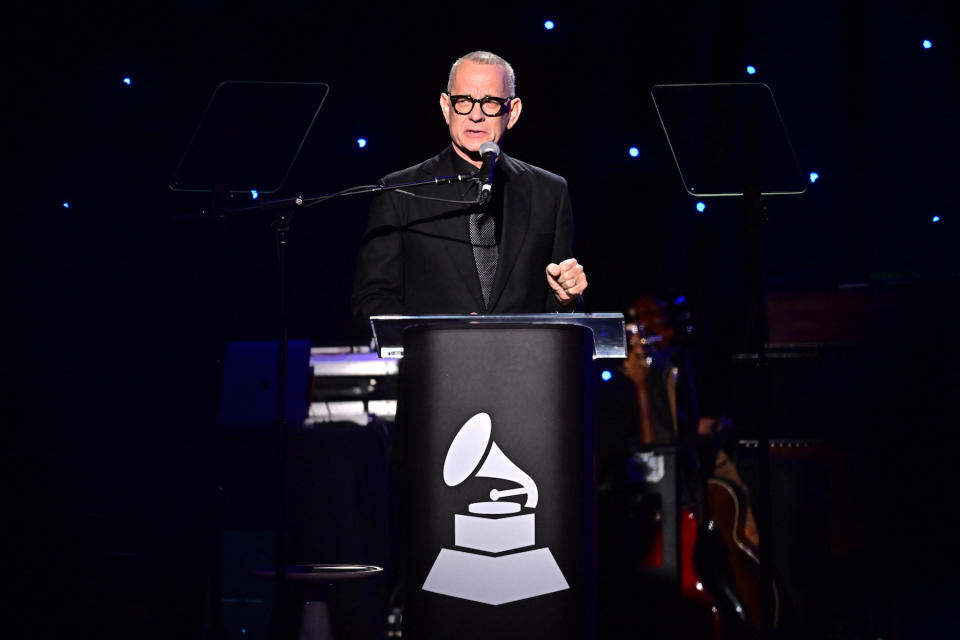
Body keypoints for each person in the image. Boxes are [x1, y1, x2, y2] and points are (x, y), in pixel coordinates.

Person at [351, 51, 587, 323]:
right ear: (446, 107)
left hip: (524, 362)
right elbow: (372, 301)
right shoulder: (398, 192)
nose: (476, 115)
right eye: (463, 101)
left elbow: (561, 311)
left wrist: (565, 298)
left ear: (513, 112)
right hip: (437, 362)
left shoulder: (549, 192)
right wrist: (442, 332)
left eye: (490, 103)